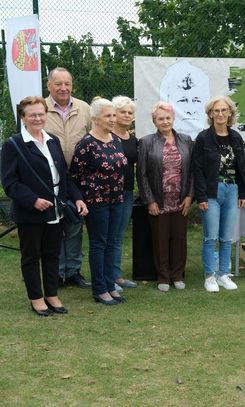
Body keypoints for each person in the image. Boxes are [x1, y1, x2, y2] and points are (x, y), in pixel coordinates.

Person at [1, 96, 88, 316]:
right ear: (23, 117)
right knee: (31, 256)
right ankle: (36, 298)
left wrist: (76, 197)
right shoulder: (13, 145)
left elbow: (64, 176)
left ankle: (51, 294)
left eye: (41, 114)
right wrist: (33, 200)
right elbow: (10, 183)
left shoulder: (53, 140)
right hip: (31, 212)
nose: (38, 118)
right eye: (32, 115)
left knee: (52, 254)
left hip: (56, 209)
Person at [192, 96, 245, 292]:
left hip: (232, 190)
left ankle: (223, 275)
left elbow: (241, 167)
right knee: (211, 237)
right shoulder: (203, 138)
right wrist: (200, 196)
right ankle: (210, 276)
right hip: (211, 192)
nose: (220, 114)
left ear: (230, 114)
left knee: (226, 237)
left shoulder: (236, 137)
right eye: (216, 111)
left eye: (224, 110)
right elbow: (197, 169)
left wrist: (242, 193)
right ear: (210, 114)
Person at [70, 98, 127, 305]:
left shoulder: (116, 140)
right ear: (95, 118)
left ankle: (110, 285)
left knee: (112, 242)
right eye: (108, 116)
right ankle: (100, 289)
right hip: (96, 201)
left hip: (117, 199)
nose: (113, 119)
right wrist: (80, 200)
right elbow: (73, 178)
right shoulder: (86, 144)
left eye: (114, 115)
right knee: (99, 243)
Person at [137, 102, 194, 292]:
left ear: (173, 119)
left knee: (179, 238)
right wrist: (149, 200)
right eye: (160, 118)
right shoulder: (146, 142)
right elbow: (142, 174)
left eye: (168, 117)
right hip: (159, 199)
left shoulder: (186, 140)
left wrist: (189, 196)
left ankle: (177, 275)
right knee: (160, 239)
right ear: (154, 121)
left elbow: (193, 171)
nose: (165, 121)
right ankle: (163, 277)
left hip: (181, 199)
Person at [44, 67, 92, 288]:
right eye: (58, 84)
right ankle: (57, 272)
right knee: (54, 226)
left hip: (78, 178)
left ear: (72, 85)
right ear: (49, 85)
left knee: (74, 223)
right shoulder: (40, 108)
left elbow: (94, 138)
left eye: (67, 84)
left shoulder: (84, 108)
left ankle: (73, 271)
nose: (63, 88)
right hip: (48, 178)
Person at [111, 96, 138, 291]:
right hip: (108, 193)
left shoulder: (132, 138)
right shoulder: (107, 136)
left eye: (130, 112)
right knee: (107, 236)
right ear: (114, 114)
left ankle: (116, 276)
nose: (127, 115)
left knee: (118, 235)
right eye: (123, 112)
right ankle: (106, 277)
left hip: (126, 191)